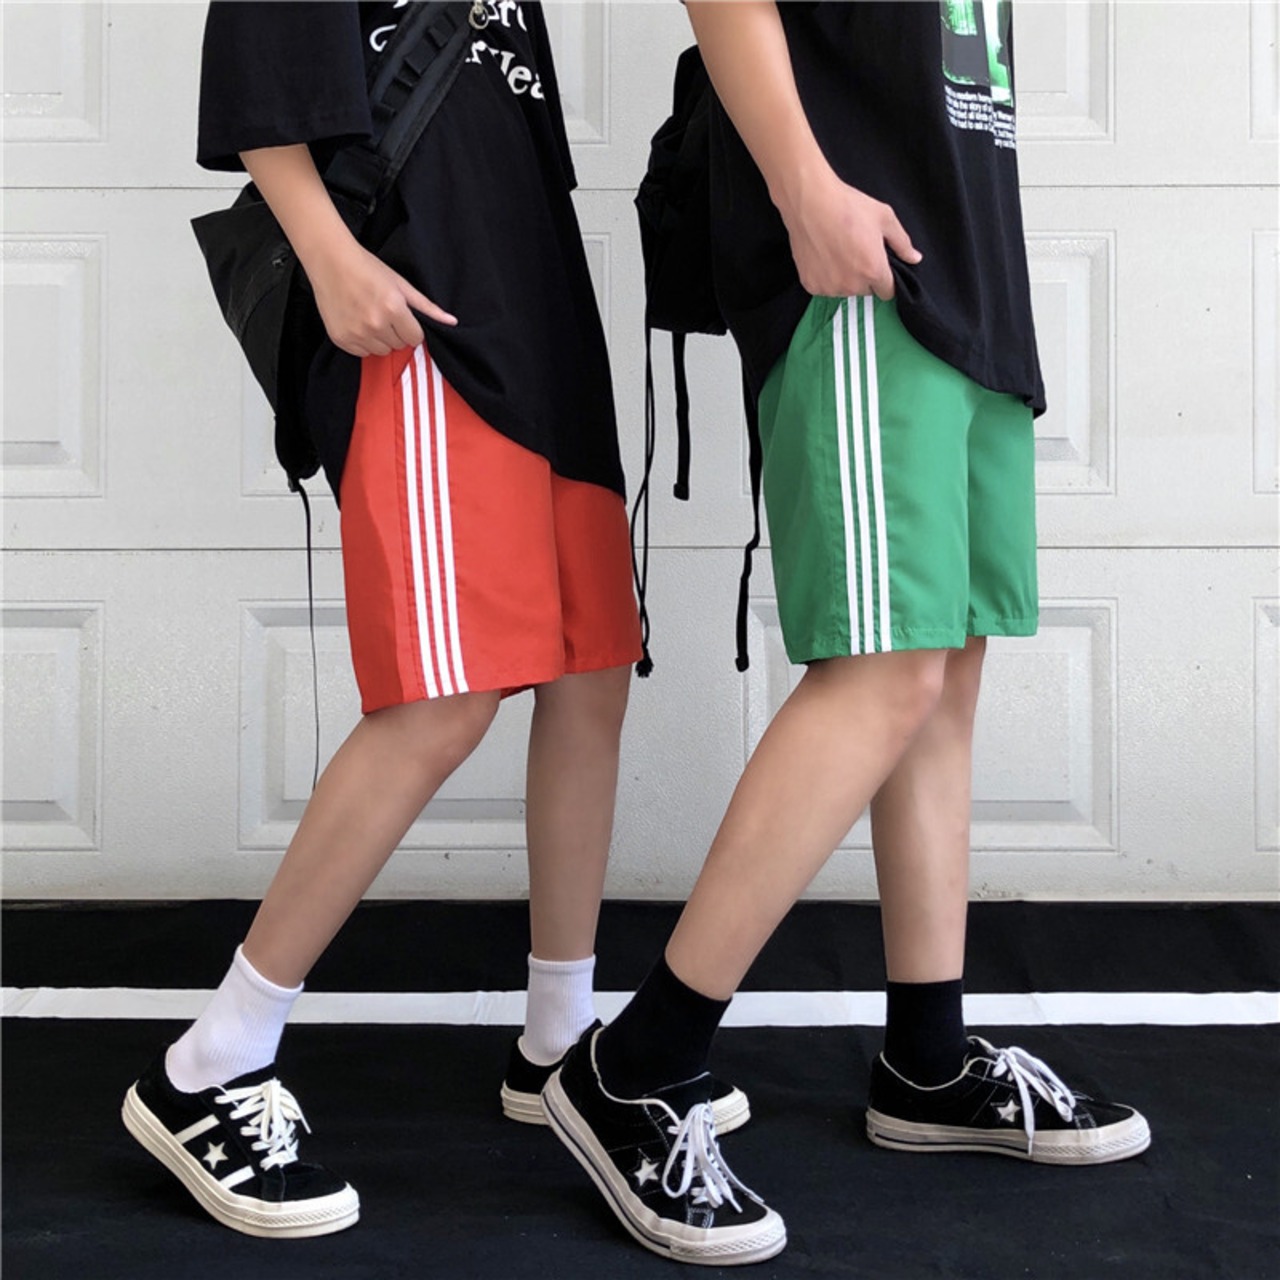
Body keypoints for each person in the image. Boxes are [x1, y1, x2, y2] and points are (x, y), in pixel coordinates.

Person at [120, 0, 743, 1239]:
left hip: (537, 324)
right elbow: (258, 70)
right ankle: (211, 1059)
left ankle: (557, 1036)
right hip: (420, 320)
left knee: (589, 669)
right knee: (440, 697)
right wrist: (330, 256)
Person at [542, 1, 1150, 1265]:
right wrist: (802, 184)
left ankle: (926, 1060)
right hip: (862, 269)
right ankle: (632, 1064)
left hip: (965, 274)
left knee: (942, 668)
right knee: (882, 669)